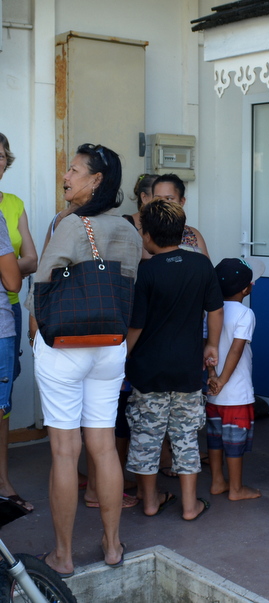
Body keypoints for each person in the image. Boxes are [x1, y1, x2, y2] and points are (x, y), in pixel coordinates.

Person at [27, 143, 141, 576]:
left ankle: (64, 556)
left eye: (74, 170)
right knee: (103, 447)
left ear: (97, 181)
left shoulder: (71, 226)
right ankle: (112, 546)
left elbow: (42, 285)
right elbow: (129, 285)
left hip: (66, 349)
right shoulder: (130, 231)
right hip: (110, 347)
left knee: (64, 450)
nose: (66, 176)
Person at [125, 200, 222, 521]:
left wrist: (120, 356)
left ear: (149, 235)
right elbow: (216, 310)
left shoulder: (146, 272)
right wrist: (212, 346)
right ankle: (191, 504)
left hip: (148, 371)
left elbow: (136, 325)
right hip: (186, 370)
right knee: (185, 437)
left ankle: (151, 501)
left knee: (146, 436)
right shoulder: (201, 265)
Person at [0, 133, 37, 512]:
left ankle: (3, 479)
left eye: (0, 156)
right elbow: (17, 264)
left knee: (2, 403)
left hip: (6, 310)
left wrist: (7, 264)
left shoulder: (12, 205)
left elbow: (33, 260)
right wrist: (9, 263)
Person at [206, 258, 261, 502]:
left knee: (215, 438)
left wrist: (213, 378)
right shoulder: (246, 314)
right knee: (234, 443)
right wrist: (224, 381)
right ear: (246, 289)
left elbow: (209, 348)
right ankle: (236, 489)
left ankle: (218, 481)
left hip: (212, 390)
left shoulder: (210, 311)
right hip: (235, 392)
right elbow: (236, 351)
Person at [151, 174, 210, 256]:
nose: (162, 203)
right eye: (157, 198)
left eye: (169, 199)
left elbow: (205, 266)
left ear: (182, 201)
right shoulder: (146, 234)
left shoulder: (192, 234)